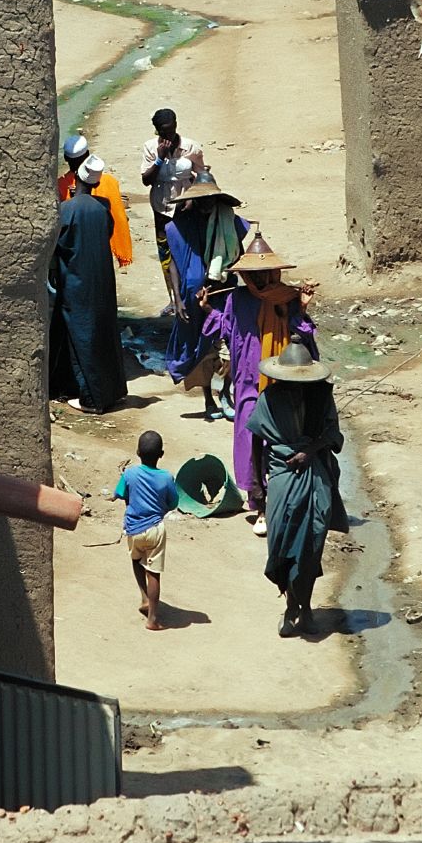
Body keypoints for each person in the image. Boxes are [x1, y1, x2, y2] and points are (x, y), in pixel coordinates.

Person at [200, 231, 318, 536]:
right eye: (253, 274)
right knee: (251, 440)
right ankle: (259, 502)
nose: (260, 279)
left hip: (282, 383)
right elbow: (225, 331)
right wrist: (208, 310)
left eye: (264, 273)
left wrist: (302, 309)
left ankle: (281, 499)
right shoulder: (237, 300)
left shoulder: (289, 299)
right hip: (248, 382)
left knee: (279, 443)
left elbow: (304, 340)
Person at [248, 336, 348, 638]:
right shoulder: (268, 399)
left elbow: (333, 434)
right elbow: (255, 441)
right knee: (281, 543)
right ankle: (292, 604)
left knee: (310, 546)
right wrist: (258, 486)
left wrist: (311, 449)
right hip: (280, 477)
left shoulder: (321, 397)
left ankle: (303, 609)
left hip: (315, 476)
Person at [49, 154, 127, 414]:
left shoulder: (66, 210)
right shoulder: (102, 207)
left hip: (76, 282)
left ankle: (91, 399)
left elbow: (55, 247)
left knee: (81, 338)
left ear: (76, 180)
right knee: (104, 335)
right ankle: (113, 392)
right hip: (102, 281)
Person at [165, 172, 248, 417]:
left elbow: (240, 257)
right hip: (192, 298)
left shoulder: (230, 222)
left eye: (210, 199)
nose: (206, 204)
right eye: (201, 199)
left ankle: (225, 391)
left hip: (224, 292)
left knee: (230, 344)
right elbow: (173, 263)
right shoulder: (181, 224)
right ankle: (208, 400)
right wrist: (177, 300)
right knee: (201, 348)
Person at [113, 430, 179, 632]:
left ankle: (144, 597)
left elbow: (119, 493)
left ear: (137, 452)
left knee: (136, 560)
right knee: (154, 573)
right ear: (162, 454)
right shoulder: (166, 477)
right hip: (155, 529)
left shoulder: (130, 473)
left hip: (133, 529)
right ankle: (152, 619)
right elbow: (174, 502)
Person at [140, 108, 205, 308]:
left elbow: (204, 177)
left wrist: (193, 197)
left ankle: (191, 292)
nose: (167, 135)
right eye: (162, 132)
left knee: (188, 248)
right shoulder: (150, 148)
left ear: (176, 125)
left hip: (186, 206)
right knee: (166, 253)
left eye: (170, 130)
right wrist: (160, 158)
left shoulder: (191, 147)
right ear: (156, 131)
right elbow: (146, 180)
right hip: (162, 208)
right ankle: (173, 297)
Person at [58, 134, 133, 268]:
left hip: (73, 253)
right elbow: (117, 219)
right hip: (102, 249)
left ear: (65, 158)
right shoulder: (108, 183)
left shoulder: (59, 186)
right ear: (87, 155)